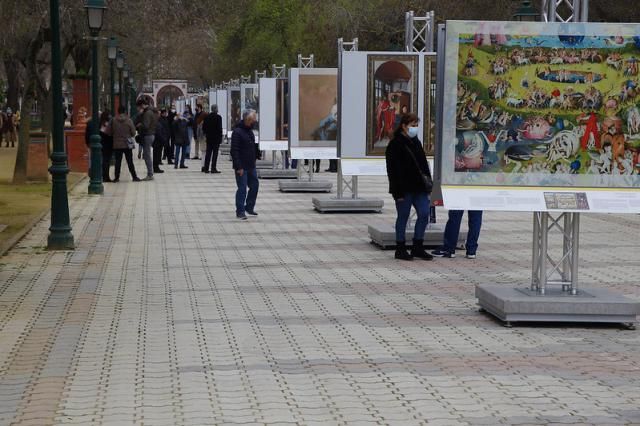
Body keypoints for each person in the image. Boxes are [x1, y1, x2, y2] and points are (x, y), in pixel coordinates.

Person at [385, 113, 433, 261]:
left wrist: (429, 183)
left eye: (416, 125)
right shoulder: (395, 144)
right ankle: (400, 248)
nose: (415, 128)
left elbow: (424, 165)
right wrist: (396, 192)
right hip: (403, 188)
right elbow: (391, 170)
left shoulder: (416, 142)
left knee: (425, 214)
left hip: (419, 187)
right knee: (403, 217)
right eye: (413, 125)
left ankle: (418, 246)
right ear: (404, 126)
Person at [231, 110, 259, 220]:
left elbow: (252, 146)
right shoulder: (237, 132)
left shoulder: (250, 131)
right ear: (248, 120)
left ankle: (249, 207)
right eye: (253, 120)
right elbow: (234, 150)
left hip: (251, 165)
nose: (255, 122)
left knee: (255, 185)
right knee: (242, 188)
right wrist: (238, 167)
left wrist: (256, 156)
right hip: (242, 166)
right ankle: (240, 211)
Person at [110, 106, 140, 182]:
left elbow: (110, 132)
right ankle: (134, 176)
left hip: (117, 143)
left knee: (118, 162)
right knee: (130, 161)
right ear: (125, 111)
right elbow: (133, 133)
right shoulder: (129, 120)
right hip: (127, 143)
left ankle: (116, 177)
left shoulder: (113, 120)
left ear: (118, 111)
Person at [135, 99, 158, 181]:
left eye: (138, 107)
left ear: (141, 105)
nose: (137, 109)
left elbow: (146, 125)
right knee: (146, 155)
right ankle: (150, 173)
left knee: (147, 155)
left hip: (148, 135)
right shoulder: (149, 112)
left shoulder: (147, 113)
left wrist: (139, 125)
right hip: (150, 134)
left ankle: (150, 174)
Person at [202, 104, 223, 173]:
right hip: (216, 139)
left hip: (209, 138)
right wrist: (220, 137)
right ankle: (213, 168)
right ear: (215, 109)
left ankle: (206, 168)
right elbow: (220, 129)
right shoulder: (218, 117)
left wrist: (207, 134)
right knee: (215, 154)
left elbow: (204, 128)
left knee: (208, 153)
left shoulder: (207, 117)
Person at [99, 110, 114, 182]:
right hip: (108, 145)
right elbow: (109, 134)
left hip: (103, 144)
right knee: (106, 161)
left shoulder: (100, 124)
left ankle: (104, 176)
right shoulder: (108, 124)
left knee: (104, 161)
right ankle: (106, 177)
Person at [154, 109, 170, 173]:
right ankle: (156, 166)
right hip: (158, 140)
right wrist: (163, 138)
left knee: (158, 153)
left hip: (161, 138)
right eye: (158, 113)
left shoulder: (162, 119)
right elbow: (159, 131)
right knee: (157, 153)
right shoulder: (157, 121)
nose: (159, 114)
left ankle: (157, 166)